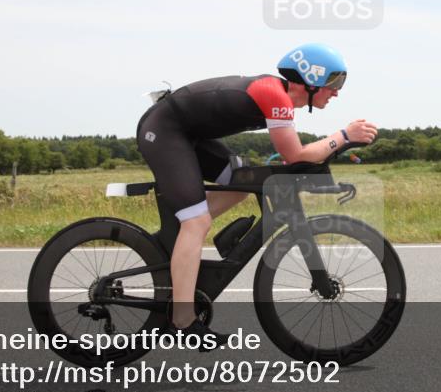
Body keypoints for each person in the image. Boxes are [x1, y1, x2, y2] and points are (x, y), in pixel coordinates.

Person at [136, 43, 378, 343]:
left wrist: (338, 144)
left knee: (241, 182)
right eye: (334, 82)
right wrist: (343, 136)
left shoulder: (277, 95)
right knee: (196, 222)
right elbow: (295, 155)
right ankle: (183, 321)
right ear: (312, 79)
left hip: (188, 135)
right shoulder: (275, 96)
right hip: (165, 132)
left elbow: (296, 158)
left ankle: (179, 240)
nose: (337, 92)